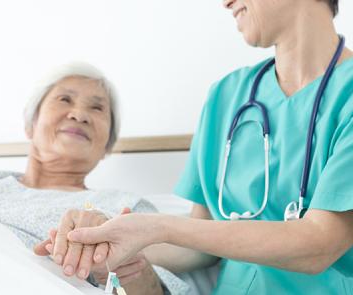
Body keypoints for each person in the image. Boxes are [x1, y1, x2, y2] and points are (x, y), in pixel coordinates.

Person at [59, 1, 353, 294]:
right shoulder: (226, 96)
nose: (226, 2)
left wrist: (156, 227)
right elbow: (199, 247)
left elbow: (319, 244)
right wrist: (106, 239)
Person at [0, 62, 190, 295]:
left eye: (97, 107)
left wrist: (120, 265)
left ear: (107, 147)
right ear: (30, 124)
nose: (79, 115)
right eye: (65, 99)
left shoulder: (125, 207)